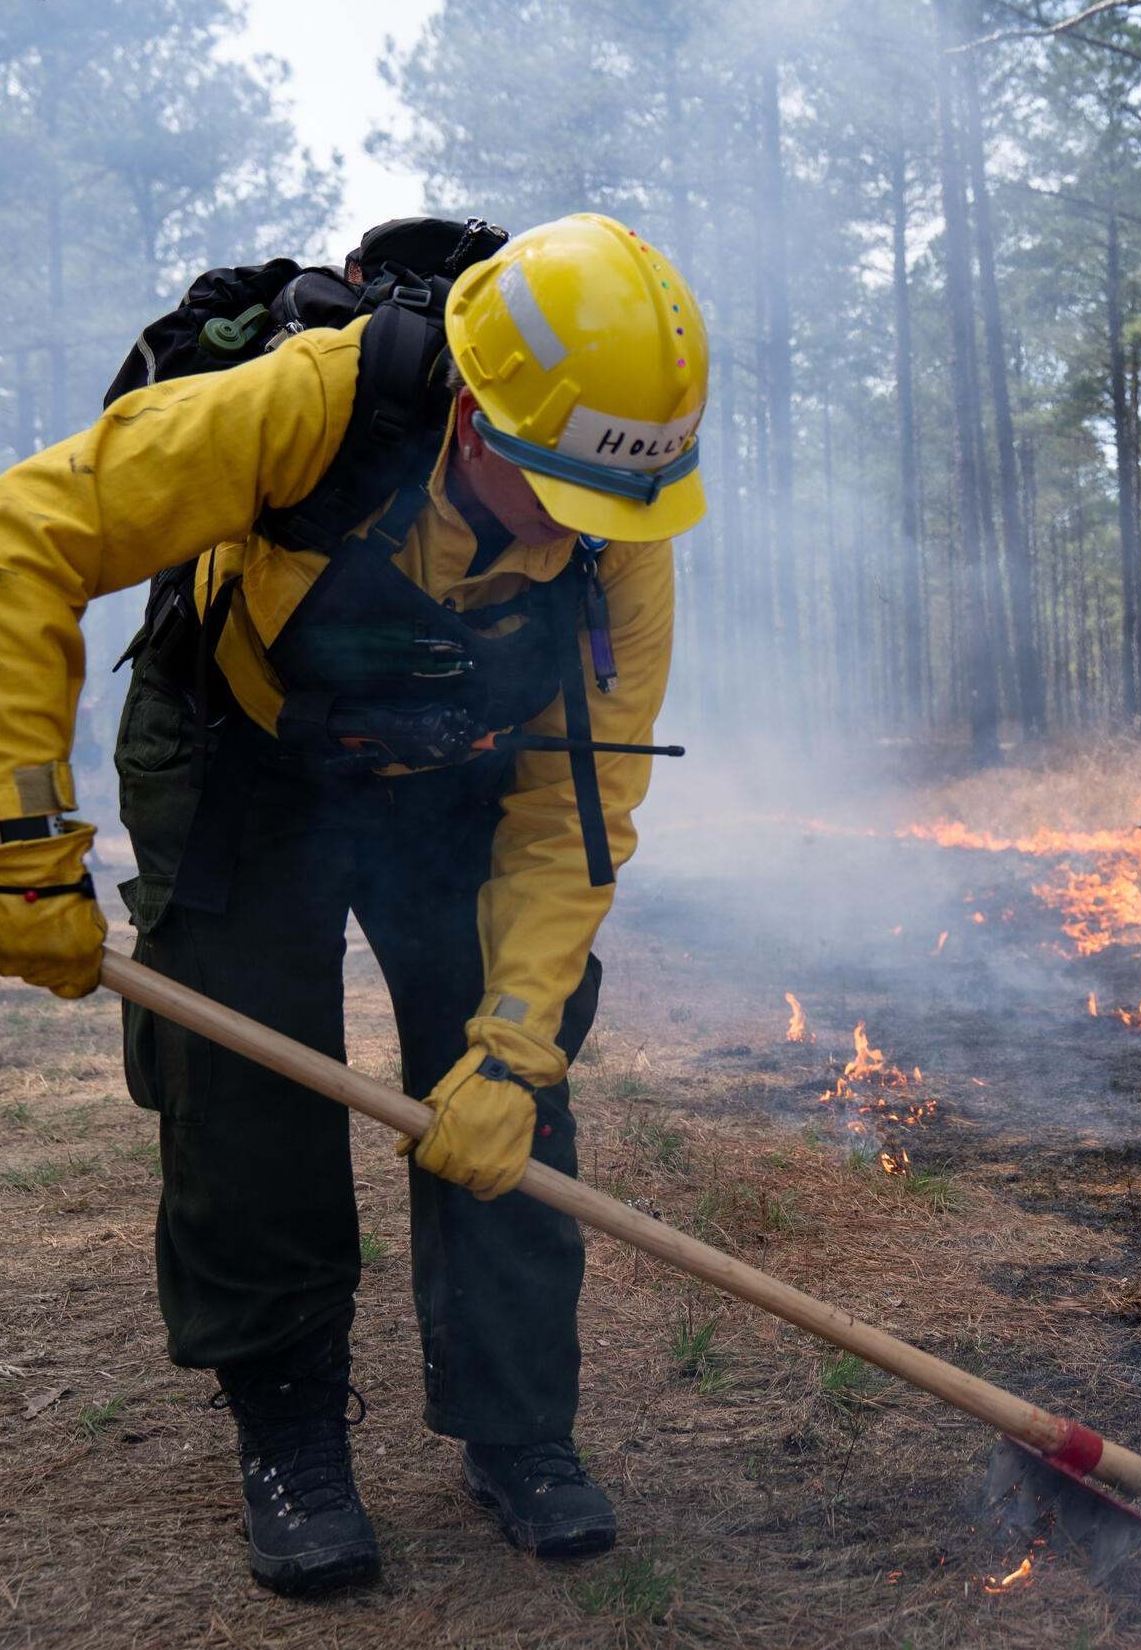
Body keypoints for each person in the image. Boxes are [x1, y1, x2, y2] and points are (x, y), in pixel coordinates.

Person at [0, 214, 707, 1594]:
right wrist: (23, 828)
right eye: (554, 490)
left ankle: (520, 1431)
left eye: (610, 506)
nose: (584, 533)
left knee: (516, 1087)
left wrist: (509, 1042)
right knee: (249, 1089)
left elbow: (579, 814)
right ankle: (290, 1434)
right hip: (241, 750)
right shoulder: (315, 403)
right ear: (478, 425)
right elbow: (30, 533)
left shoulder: (622, 524)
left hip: (459, 776)